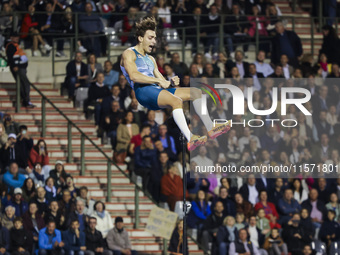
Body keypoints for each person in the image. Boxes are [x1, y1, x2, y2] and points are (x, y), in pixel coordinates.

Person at [120, 17, 230, 151]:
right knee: (176, 101)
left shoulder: (151, 59)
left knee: (195, 92)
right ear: (140, 38)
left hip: (156, 91)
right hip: (143, 92)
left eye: (154, 38)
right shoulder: (129, 53)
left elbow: (163, 82)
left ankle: (211, 128)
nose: (154, 41)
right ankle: (190, 138)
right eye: (150, 38)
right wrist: (159, 81)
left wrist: (170, 82)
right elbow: (134, 76)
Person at [5, 32, 35, 108]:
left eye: (17, 37)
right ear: (11, 38)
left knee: (22, 84)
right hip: (18, 68)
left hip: (21, 67)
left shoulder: (17, 46)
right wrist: (14, 66)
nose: (17, 38)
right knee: (25, 84)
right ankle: (26, 101)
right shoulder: (11, 46)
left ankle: (25, 100)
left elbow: (22, 57)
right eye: (15, 37)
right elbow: (10, 58)